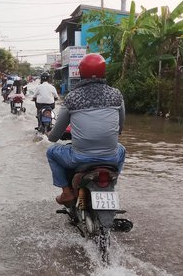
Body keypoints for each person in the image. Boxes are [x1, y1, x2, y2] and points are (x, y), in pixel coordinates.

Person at [46, 53, 126, 205]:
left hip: (80, 157)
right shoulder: (116, 95)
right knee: (121, 149)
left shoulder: (73, 97)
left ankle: (66, 193)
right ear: (104, 72)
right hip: (111, 156)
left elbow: (55, 134)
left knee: (51, 151)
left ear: (81, 73)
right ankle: (112, 181)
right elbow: (120, 126)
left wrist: (51, 136)